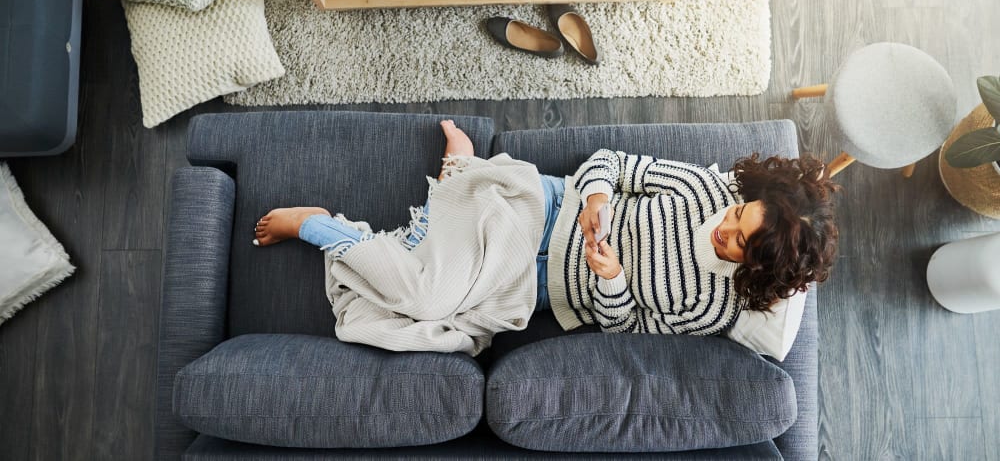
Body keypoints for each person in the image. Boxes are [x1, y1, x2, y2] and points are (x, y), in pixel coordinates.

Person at [253, 119, 840, 337]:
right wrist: (598, 195)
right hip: (545, 208)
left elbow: (625, 325)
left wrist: (610, 279)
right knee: (429, 291)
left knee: (428, 311)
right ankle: (322, 230)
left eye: (738, 241)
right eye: (738, 215)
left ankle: (455, 172)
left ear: (755, 267)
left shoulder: (713, 308)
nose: (724, 229)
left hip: (535, 288)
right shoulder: (706, 190)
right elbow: (611, 161)